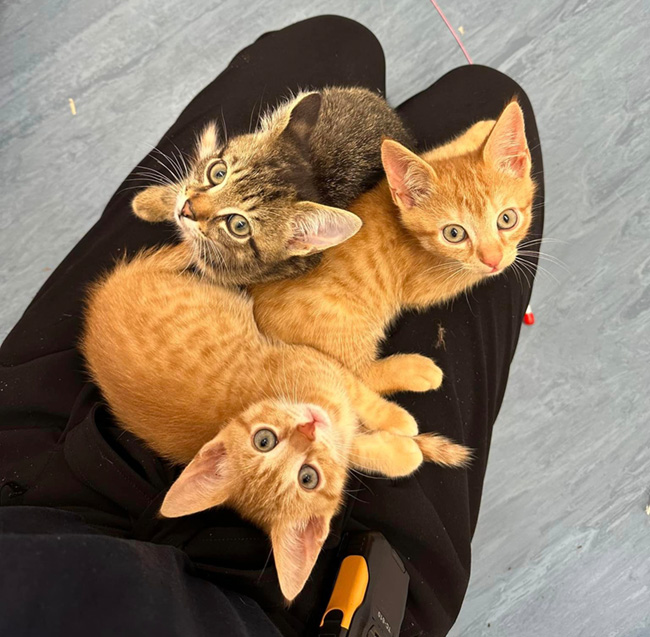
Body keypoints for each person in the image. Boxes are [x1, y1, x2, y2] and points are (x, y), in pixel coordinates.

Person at [0, 15, 543, 637]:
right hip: (340, 603)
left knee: (339, 45)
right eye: (308, 470)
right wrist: (365, 427)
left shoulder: (253, 436)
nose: (307, 432)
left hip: (34, 492)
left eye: (269, 444)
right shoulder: (304, 465)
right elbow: (325, 391)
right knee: (485, 91)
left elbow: (300, 389)